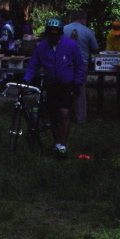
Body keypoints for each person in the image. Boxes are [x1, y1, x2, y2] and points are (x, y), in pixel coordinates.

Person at [23, 18, 87, 159]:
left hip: (67, 84)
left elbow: (79, 65)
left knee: (64, 113)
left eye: (56, 34)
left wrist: (78, 83)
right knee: (53, 115)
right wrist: (26, 80)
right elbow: (33, 65)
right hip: (51, 84)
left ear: (60, 33)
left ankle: (63, 145)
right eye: (50, 34)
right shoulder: (42, 47)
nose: (53, 37)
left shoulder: (71, 45)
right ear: (47, 33)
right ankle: (57, 143)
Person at [62, 11, 99, 124]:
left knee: (64, 89)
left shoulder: (63, 29)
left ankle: (62, 116)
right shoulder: (88, 31)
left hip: (65, 63)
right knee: (80, 91)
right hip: (81, 64)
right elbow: (95, 49)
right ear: (83, 20)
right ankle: (80, 118)